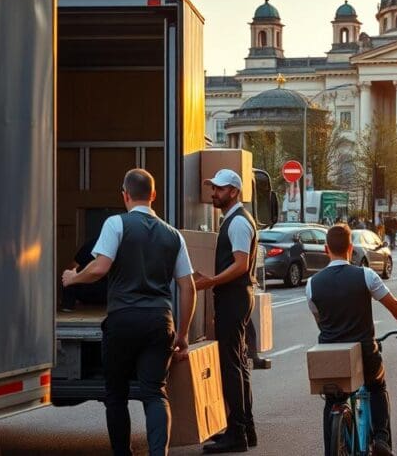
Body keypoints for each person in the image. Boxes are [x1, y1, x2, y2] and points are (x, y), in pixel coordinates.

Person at [61, 168, 196, 456]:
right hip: (159, 322)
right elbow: (188, 287)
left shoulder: (116, 224)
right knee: (155, 394)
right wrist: (182, 333)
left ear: (124, 195)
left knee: (116, 395)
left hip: (122, 321)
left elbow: (99, 267)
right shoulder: (174, 236)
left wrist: (73, 278)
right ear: (154, 196)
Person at [306, 224, 397, 456]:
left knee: (332, 399)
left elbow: (320, 321)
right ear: (351, 248)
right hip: (364, 350)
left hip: (330, 355)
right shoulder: (365, 275)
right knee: (377, 385)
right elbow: (395, 307)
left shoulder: (312, 285)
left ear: (325, 249)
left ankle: (330, 449)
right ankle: (381, 438)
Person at [193, 169, 258, 453]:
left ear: (233, 191)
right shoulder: (233, 220)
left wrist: (211, 281)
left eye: (219, 189)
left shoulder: (238, 223)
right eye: (213, 188)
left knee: (231, 367)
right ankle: (244, 428)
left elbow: (241, 264)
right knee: (238, 365)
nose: (213, 193)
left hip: (234, 297)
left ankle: (238, 434)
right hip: (236, 296)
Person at [60, 237, 108, 312]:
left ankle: (67, 307)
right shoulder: (94, 244)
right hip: (109, 293)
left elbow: (74, 266)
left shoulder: (94, 243)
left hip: (96, 292)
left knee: (71, 273)